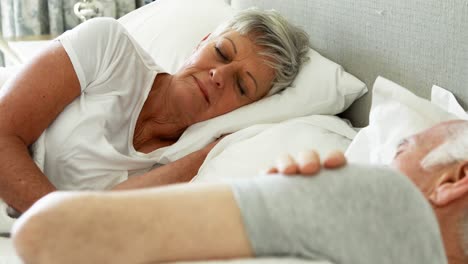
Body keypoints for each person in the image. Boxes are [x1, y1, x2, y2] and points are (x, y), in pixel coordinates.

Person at [11, 119, 468, 263]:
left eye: (401, 149)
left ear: (454, 180)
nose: (384, 161)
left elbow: (44, 233)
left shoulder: (384, 203)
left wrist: (306, 198)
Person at [0, 9, 310, 214]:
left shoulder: (196, 156)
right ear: (201, 43)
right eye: (221, 53)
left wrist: (211, 151)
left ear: (251, 107)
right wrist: (59, 226)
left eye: (242, 86)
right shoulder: (108, 47)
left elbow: (103, 214)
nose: (219, 76)